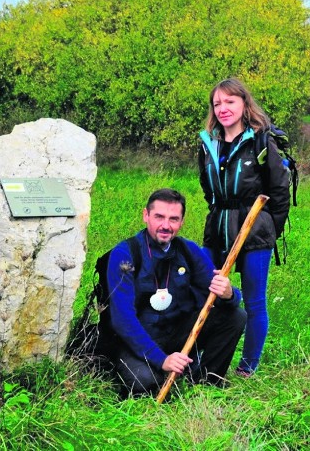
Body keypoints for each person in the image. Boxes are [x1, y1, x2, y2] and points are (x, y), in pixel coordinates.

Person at [107, 188, 246, 397]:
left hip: (177, 332)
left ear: (181, 221)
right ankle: (153, 367)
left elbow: (220, 291)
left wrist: (230, 293)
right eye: (159, 217)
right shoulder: (125, 254)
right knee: (144, 383)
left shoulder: (189, 251)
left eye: (173, 219)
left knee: (235, 316)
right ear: (146, 216)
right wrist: (161, 359)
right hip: (138, 338)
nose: (165, 225)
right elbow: (123, 320)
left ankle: (206, 383)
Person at [198, 78, 291, 377]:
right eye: (217, 104)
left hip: (254, 229)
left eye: (230, 102)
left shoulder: (261, 141)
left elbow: (279, 191)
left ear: (243, 104)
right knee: (204, 289)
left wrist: (268, 231)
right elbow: (207, 188)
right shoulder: (208, 144)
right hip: (217, 226)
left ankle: (247, 367)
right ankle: (204, 357)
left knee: (254, 301)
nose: (223, 108)